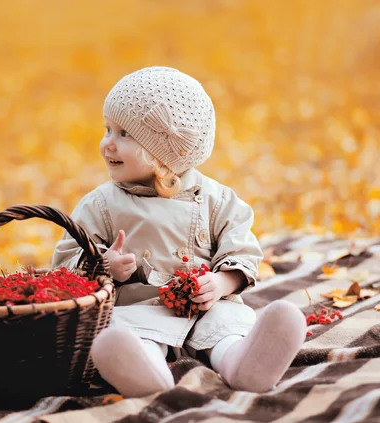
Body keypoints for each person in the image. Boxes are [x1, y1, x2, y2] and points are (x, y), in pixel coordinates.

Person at [51, 66, 305, 398]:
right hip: (140, 308)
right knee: (128, 334)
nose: (107, 145)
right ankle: (145, 373)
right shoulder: (101, 205)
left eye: (124, 134)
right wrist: (104, 265)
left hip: (208, 306)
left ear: (163, 154)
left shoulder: (218, 200)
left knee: (226, 330)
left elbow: (241, 250)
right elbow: (65, 264)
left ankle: (244, 365)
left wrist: (221, 283)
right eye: (107, 129)